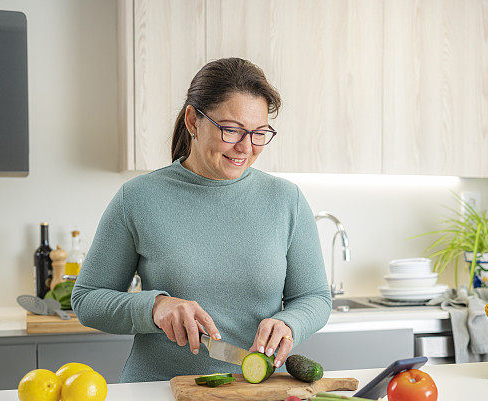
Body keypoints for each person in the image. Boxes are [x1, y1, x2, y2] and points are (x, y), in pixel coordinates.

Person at [72, 58, 331, 382]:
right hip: (157, 394)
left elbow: (315, 297)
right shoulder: (138, 198)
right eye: (231, 130)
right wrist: (155, 308)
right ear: (193, 121)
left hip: (250, 396)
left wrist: (290, 322)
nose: (246, 147)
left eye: (259, 133)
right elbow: (87, 299)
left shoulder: (285, 200)